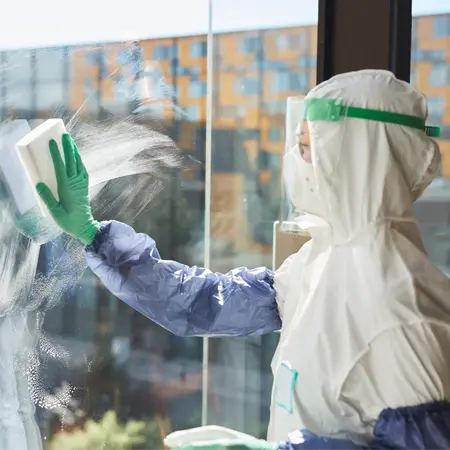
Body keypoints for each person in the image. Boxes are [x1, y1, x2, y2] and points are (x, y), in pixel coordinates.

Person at [36, 70, 450, 449]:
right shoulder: (318, 261)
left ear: (361, 158)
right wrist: (93, 234)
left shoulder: (406, 311)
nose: (292, 160)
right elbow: (203, 304)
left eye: (307, 148)